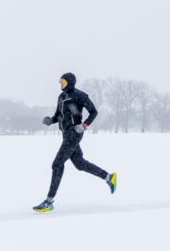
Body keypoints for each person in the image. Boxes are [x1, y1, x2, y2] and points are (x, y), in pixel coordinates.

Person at [33, 73, 117, 213]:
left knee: (57, 164)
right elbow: (59, 115)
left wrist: (84, 126)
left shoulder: (80, 95)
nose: (60, 84)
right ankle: (108, 177)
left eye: (63, 82)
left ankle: (49, 201)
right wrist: (50, 121)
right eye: (60, 82)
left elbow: (93, 112)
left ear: (70, 82)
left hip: (75, 133)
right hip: (65, 134)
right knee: (79, 164)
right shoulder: (61, 97)